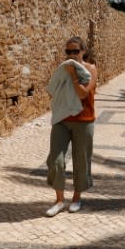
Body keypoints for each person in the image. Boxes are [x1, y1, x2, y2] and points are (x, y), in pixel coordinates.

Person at [44, 37, 98, 216]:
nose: (72, 55)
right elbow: (53, 90)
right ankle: (59, 200)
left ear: (83, 51)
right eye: (68, 52)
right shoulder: (63, 69)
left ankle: (76, 198)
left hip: (84, 121)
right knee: (56, 159)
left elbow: (83, 94)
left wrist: (74, 75)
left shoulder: (91, 69)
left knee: (81, 160)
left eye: (76, 51)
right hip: (62, 119)